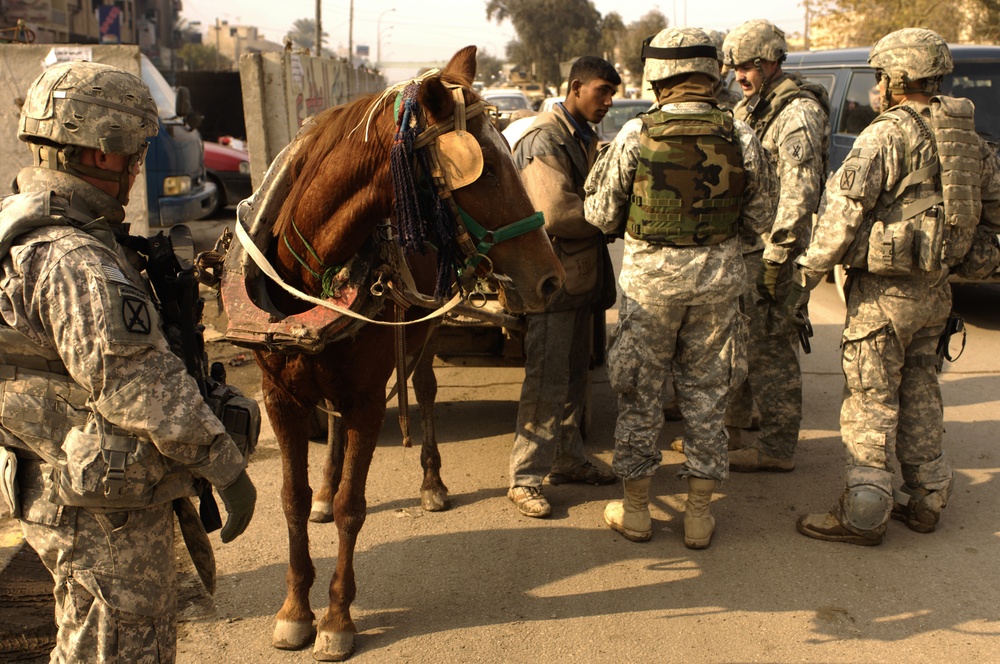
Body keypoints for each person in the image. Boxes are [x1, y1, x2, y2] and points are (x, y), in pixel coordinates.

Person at [0, 60, 256, 660]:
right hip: (97, 510)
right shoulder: (76, 259)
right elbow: (138, 384)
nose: (140, 163)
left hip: (66, 480)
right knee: (116, 649)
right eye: (134, 149)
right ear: (97, 150)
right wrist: (225, 465)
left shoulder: (31, 228)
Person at [786, 28, 1000, 545]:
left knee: (870, 397)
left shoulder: (884, 135)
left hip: (884, 295)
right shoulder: (966, 138)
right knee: (922, 386)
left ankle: (864, 511)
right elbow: (993, 206)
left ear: (896, 79)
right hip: (936, 290)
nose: (878, 86)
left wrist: (801, 279)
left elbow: (841, 216)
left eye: (881, 77)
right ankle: (927, 497)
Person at [584, 27, 777, 547]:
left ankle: (638, 512)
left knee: (641, 397)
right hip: (718, 287)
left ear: (658, 75)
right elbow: (763, 216)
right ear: (711, 72)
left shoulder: (634, 134)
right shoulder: (742, 135)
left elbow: (600, 214)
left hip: (651, 289)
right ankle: (696, 517)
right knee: (707, 398)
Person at [506, 56, 621, 518]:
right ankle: (523, 478)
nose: (609, 103)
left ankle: (567, 458)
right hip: (552, 279)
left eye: (612, 94)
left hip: (580, 278)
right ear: (576, 88)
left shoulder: (580, 135)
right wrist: (614, 216)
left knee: (575, 375)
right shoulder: (545, 139)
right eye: (602, 92)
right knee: (546, 379)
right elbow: (557, 213)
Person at [719, 19, 830, 470]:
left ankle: (778, 447)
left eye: (749, 66)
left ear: (772, 62)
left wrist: (777, 257)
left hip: (773, 254)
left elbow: (799, 195)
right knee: (742, 342)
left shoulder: (797, 114)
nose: (740, 75)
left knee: (772, 349)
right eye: (736, 67)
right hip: (747, 249)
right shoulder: (753, 108)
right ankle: (733, 431)